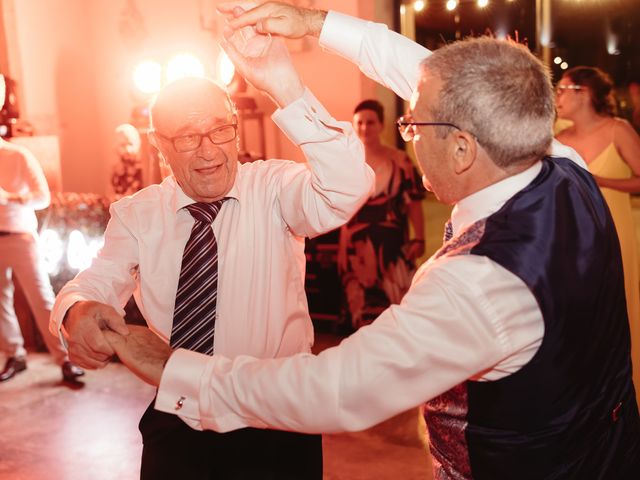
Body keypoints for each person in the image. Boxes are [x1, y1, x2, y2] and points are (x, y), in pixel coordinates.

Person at [105, 4, 640, 479]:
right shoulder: (562, 167)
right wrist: (314, 25)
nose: (406, 134)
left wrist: (174, 369)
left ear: (461, 148)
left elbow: (335, 391)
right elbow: (434, 77)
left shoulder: (481, 282)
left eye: (411, 125)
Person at [49, 25, 373, 480]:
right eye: (186, 137)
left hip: (275, 414)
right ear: (160, 146)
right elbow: (98, 278)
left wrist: (286, 87)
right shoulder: (138, 214)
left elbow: (348, 185)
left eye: (219, 130)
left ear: (235, 131)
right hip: (179, 409)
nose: (209, 151)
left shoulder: (275, 188)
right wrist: (75, 309)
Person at [555, 66, 640, 407]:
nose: (558, 96)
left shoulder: (617, 130)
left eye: (563, 89)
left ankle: (622, 397)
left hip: (614, 231)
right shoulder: (558, 139)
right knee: (577, 314)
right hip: (571, 237)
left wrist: (601, 183)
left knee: (618, 311)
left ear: (584, 93)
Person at [0, 74, 84, 383]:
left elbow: (42, 197)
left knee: (41, 298)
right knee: (0, 302)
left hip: (21, 237)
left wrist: (9, 196)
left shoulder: (18, 155)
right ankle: (14, 354)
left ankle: (65, 358)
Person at [338, 99, 425, 329]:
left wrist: (420, 237)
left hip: (392, 248)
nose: (365, 128)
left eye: (370, 122)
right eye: (360, 123)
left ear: (381, 125)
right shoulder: (347, 163)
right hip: (356, 249)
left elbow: (414, 203)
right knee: (361, 313)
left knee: (397, 309)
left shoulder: (400, 161)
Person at [111, 123, 143, 196]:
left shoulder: (145, 170)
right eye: (122, 145)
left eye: (130, 144)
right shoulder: (116, 172)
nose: (127, 149)